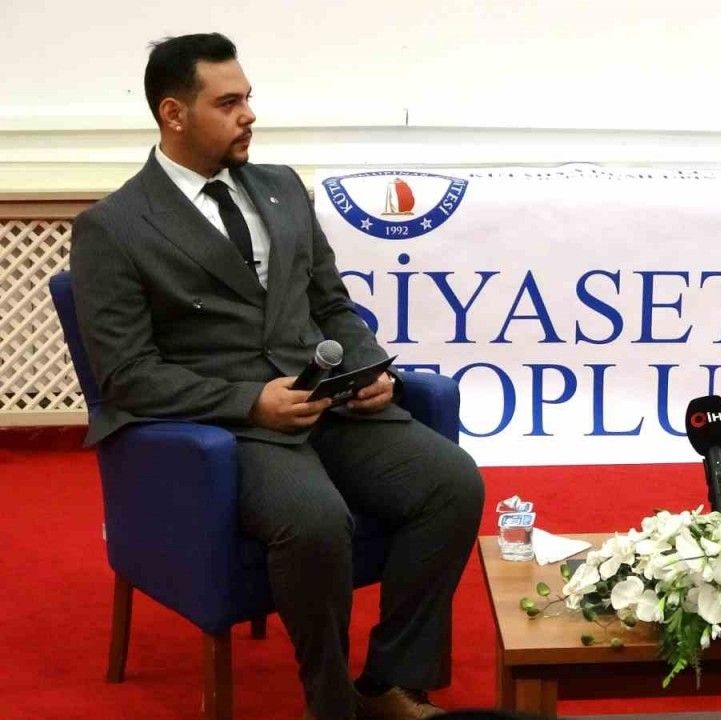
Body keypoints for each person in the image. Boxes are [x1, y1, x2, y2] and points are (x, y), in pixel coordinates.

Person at [69, 33, 483, 720]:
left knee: (451, 483)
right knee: (314, 521)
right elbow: (126, 375)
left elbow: (331, 303)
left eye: (248, 98)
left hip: (328, 406)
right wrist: (249, 403)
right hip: (231, 428)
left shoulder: (283, 187)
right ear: (174, 114)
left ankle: (393, 682)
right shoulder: (113, 228)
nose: (249, 114)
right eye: (228, 103)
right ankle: (332, 703)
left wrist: (367, 366)